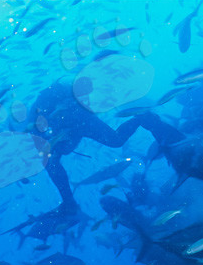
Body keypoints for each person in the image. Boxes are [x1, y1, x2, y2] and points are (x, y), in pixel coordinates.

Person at [28, 76, 153, 212]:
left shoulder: (57, 101)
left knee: (115, 141)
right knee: (52, 161)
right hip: (70, 126)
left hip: (79, 121)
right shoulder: (46, 103)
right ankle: (69, 202)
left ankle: (140, 117)